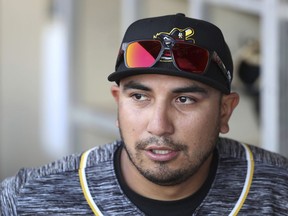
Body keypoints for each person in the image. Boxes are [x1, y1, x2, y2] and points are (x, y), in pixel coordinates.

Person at [1, 13, 288, 216]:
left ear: (225, 111)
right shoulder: (25, 199)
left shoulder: (279, 191)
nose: (159, 126)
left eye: (185, 99)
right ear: (118, 103)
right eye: (139, 97)